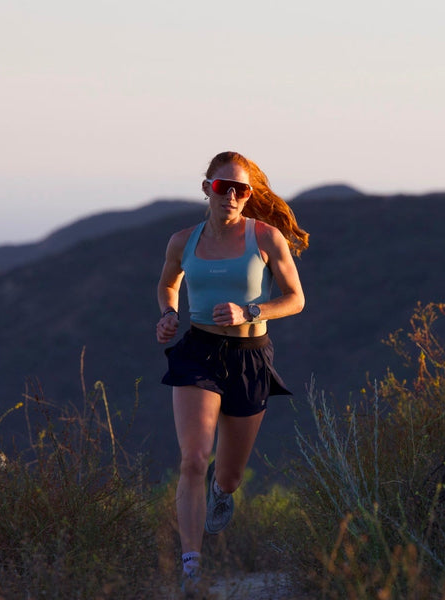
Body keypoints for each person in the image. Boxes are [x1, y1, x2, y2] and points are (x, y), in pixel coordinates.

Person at [155, 151, 309, 588]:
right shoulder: (182, 241)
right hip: (197, 354)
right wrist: (168, 312)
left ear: (249, 194)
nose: (233, 196)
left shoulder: (266, 237)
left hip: (249, 358)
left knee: (229, 474)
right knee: (193, 459)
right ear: (207, 189)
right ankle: (191, 568)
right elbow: (169, 283)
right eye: (224, 187)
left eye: (242, 189)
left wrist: (250, 311)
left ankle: (222, 493)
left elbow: (295, 298)